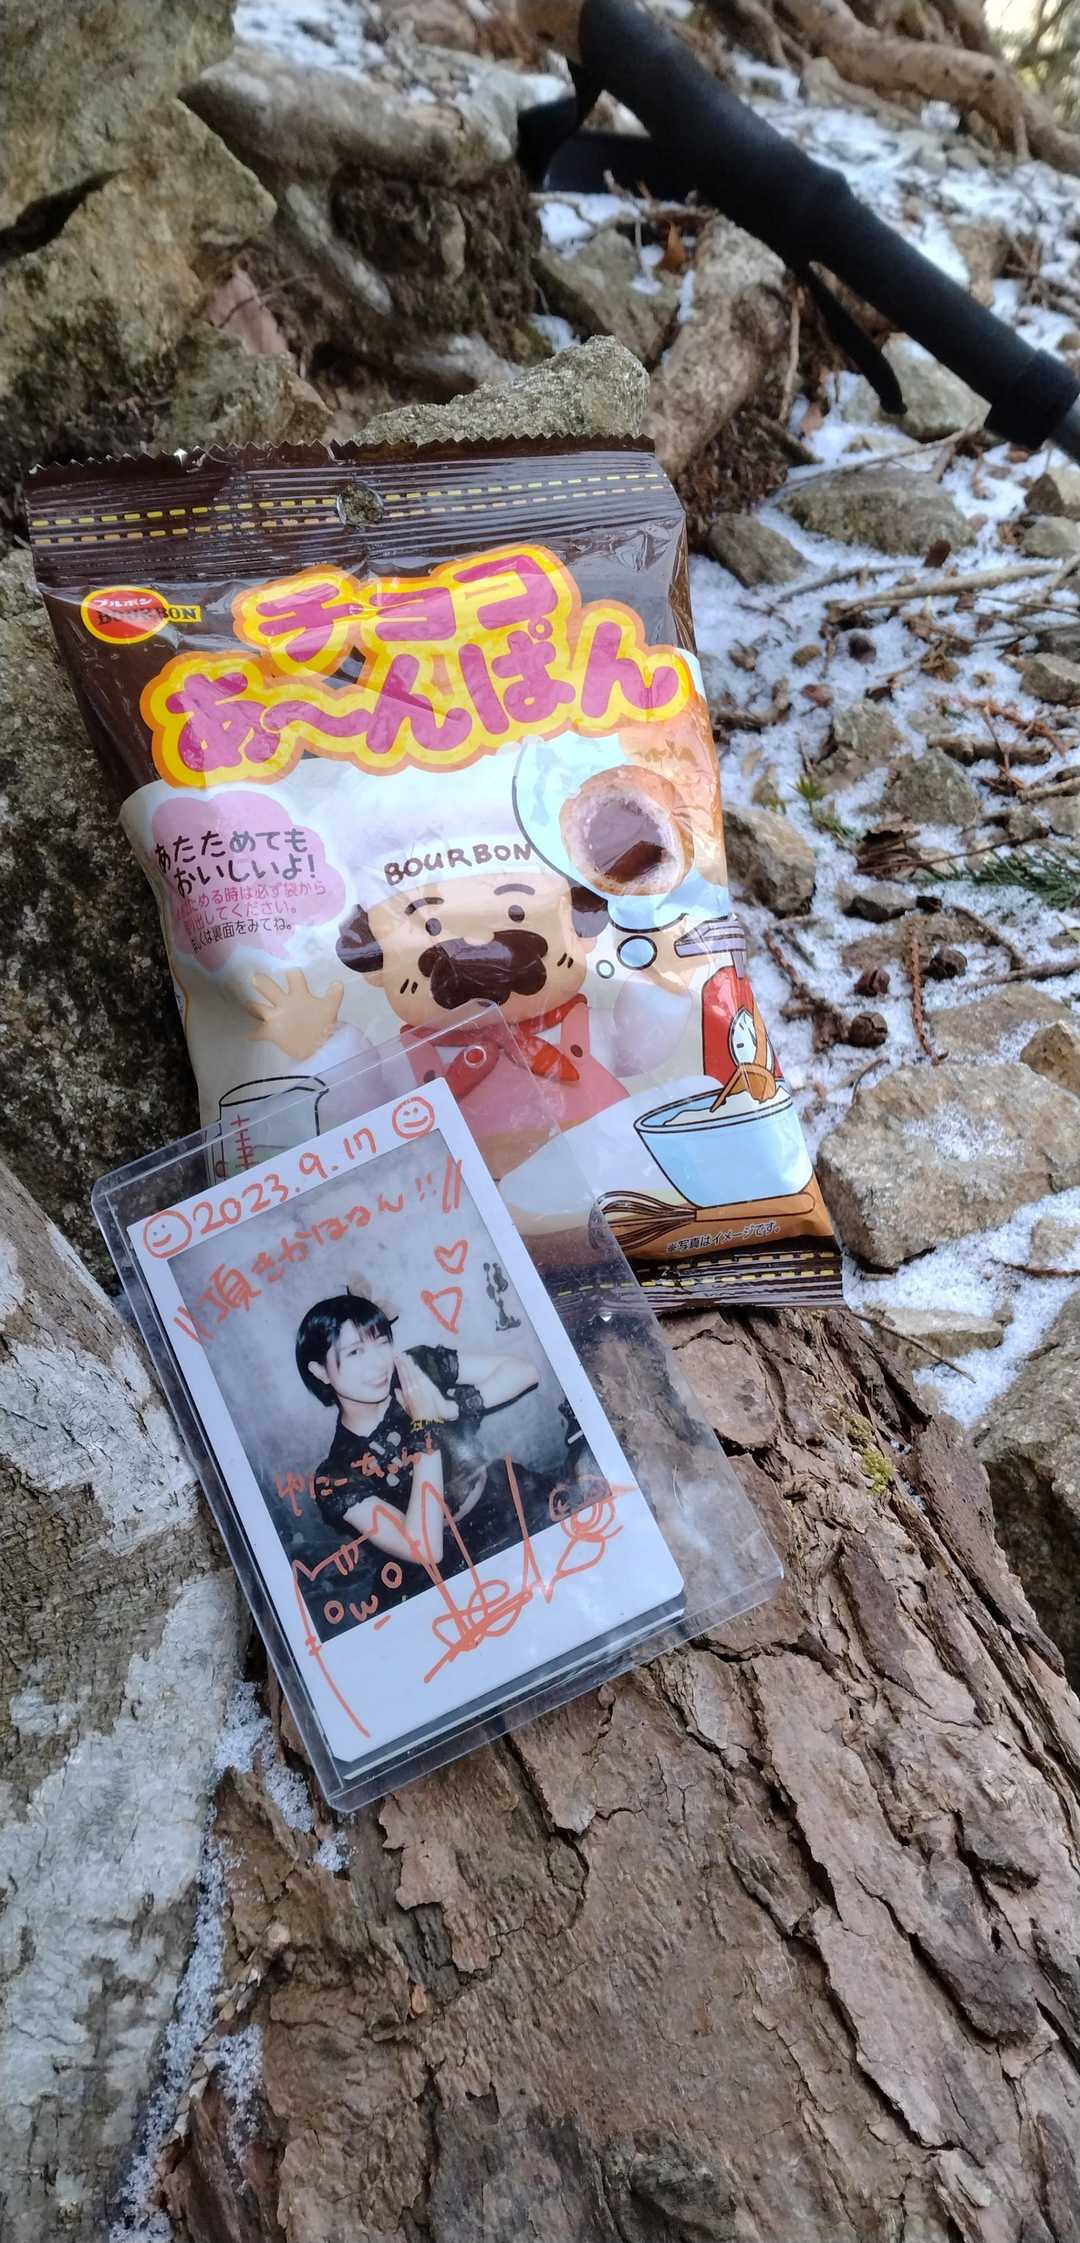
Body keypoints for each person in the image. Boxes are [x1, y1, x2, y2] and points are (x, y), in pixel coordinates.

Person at [295, 1290, 589, 1632]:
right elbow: (424, 1548)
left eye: (382, 1343)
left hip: (504, 1503)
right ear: (321, 1371)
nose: (377, 1363)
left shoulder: (414, 1370)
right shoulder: (336, 1477)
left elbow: (524, 1372)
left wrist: (451, 1408)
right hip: (445, 1568)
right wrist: (424, 1427)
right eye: (355, 1352)